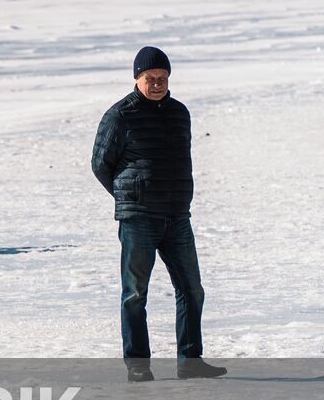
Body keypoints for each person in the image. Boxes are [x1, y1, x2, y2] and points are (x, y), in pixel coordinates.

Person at [91, 46, 226, 382]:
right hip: (138, 218)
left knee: (192, 289)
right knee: (135, 293)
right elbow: (100, 164)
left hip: (177, 216)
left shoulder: (180, 113)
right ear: (137, 78)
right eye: (150, 78)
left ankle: (190, 362)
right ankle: (138, 365)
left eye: (162, 78)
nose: (156, 84)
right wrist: (128, 196)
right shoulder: (119, 115)